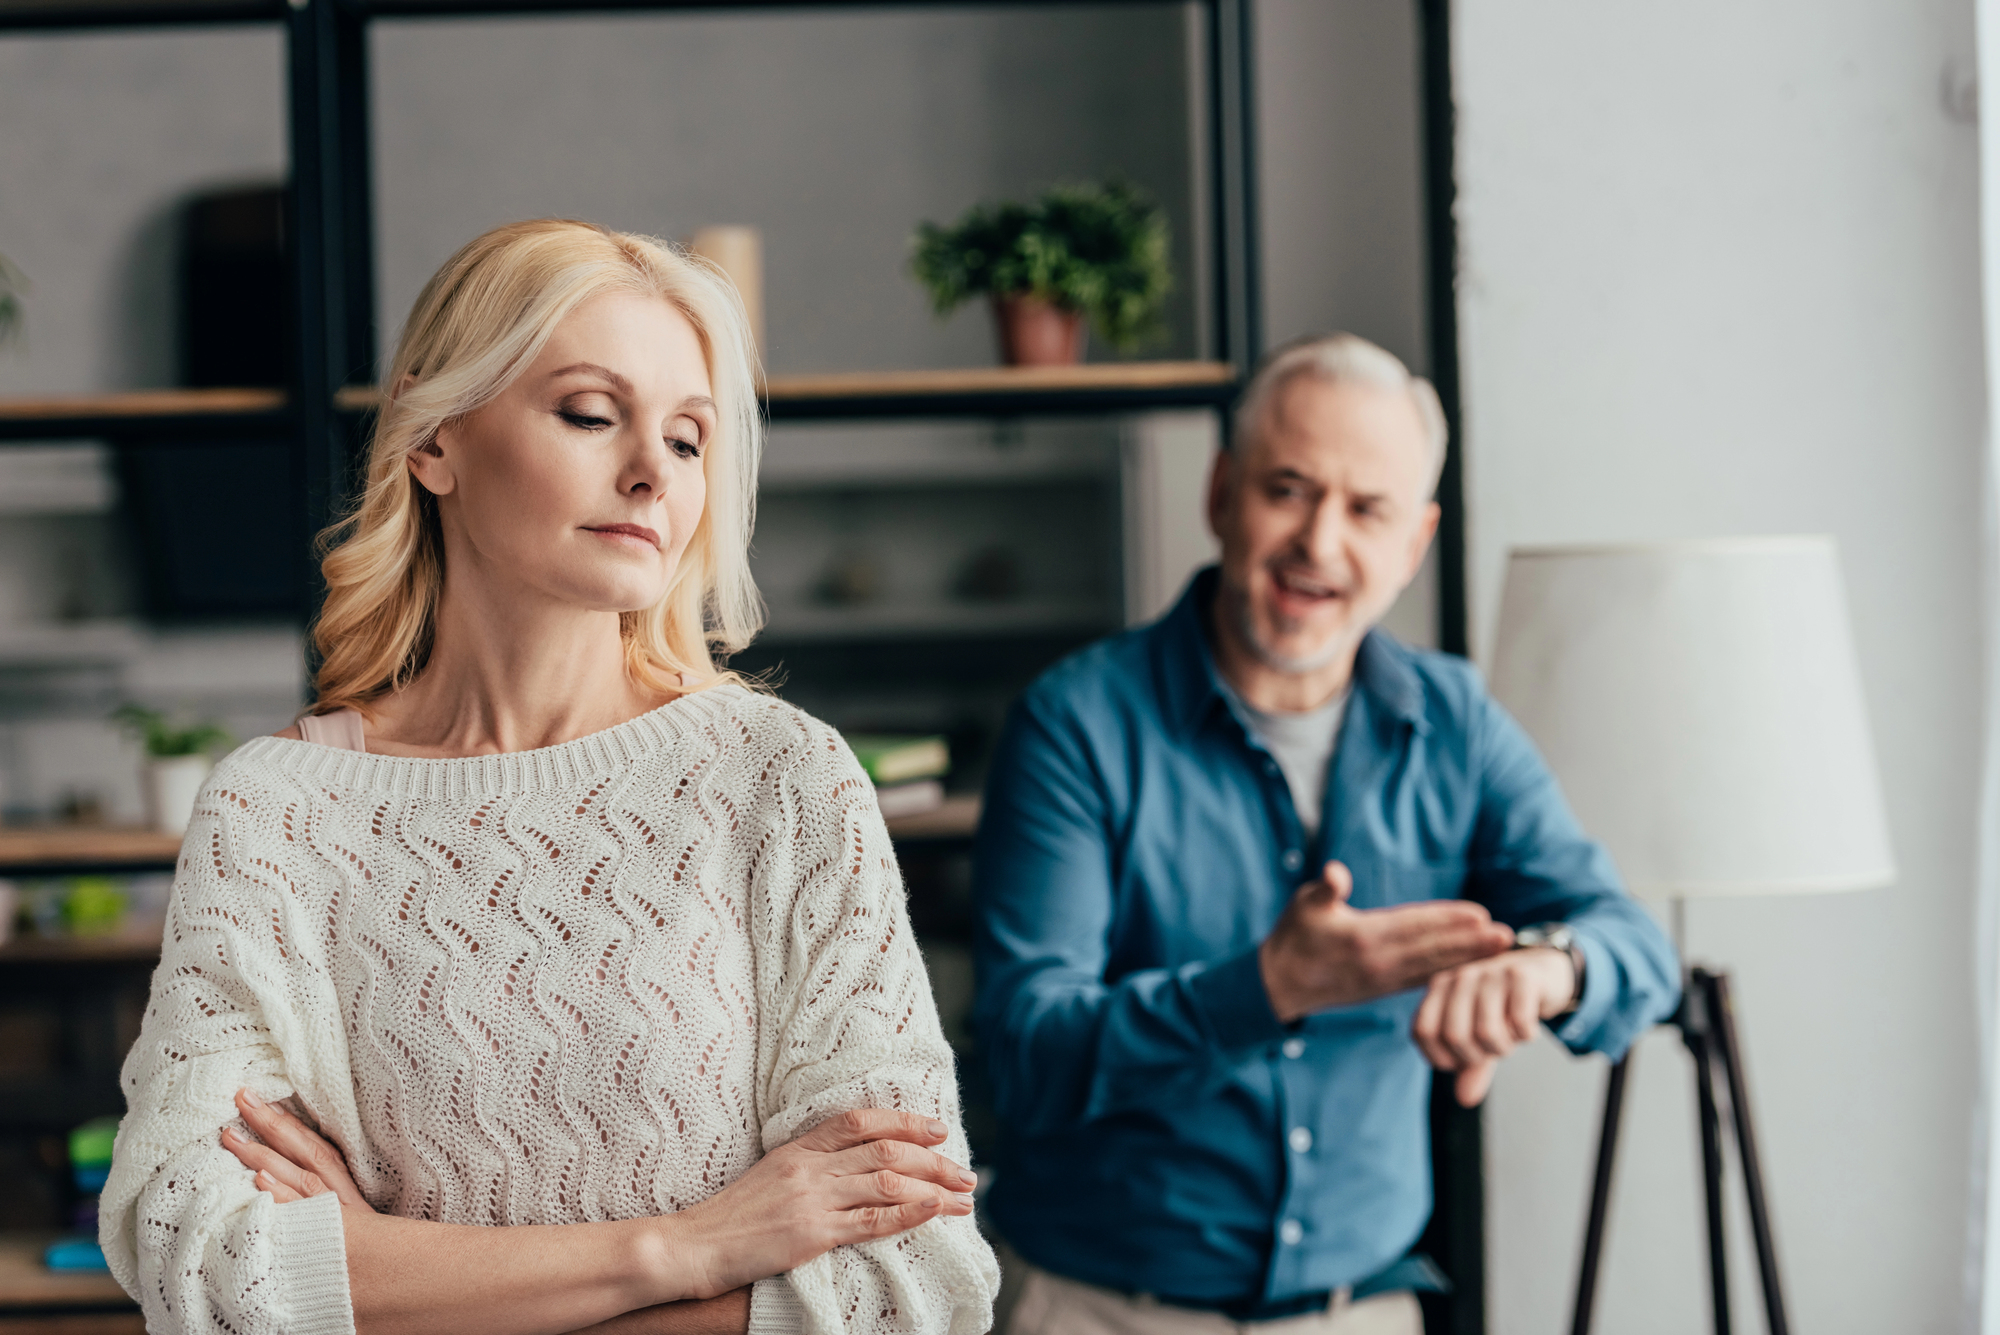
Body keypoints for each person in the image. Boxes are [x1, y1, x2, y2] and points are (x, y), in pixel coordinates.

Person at [101, 219, 1000, 1335]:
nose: (648, 473)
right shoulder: (275, 814)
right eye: (587, 413)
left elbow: (909, 1274)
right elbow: (191, 1252)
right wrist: (691, 1248)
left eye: (686, 440)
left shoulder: (781, 782)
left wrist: (381, 1275)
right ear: (433, 440)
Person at [971, 334, 1679, 1335]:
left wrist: (1545, 969)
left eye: (1365, 509)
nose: (1319, 541)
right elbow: (1021, 1053)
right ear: (1220, 493)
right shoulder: (1074, 723)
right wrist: (1265, 988)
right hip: (1101, 1308)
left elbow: (1633, 943)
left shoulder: (1456, 722)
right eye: (1288, 489)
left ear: (1413, 542)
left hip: (1365, 1310)